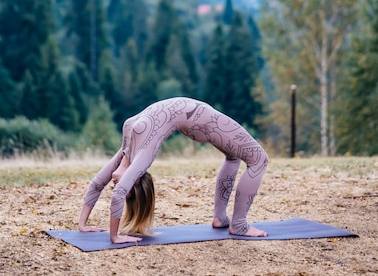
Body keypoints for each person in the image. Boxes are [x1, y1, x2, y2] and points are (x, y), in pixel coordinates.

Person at [78, 97, 269, 244]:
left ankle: (222, 219)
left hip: (196, 116)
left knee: (235, 156)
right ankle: (238, 224)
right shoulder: (141, 158)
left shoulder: (126, 153)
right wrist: (114, 236)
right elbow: (117, 194)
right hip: (199, 118)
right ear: (135, 180)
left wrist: (85, 226)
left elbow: (97, 184)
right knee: (259, 159)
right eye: (130, 193)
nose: (116, 186)